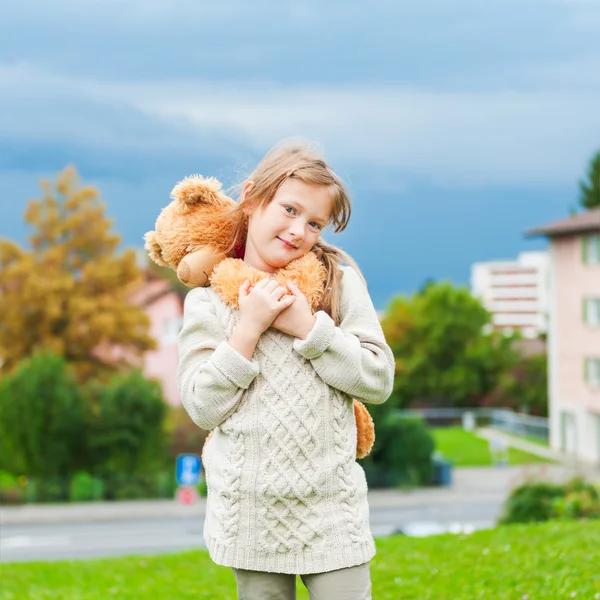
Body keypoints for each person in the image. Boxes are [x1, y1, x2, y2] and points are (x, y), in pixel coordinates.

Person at [177, 140, 395, 600]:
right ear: (254, 198)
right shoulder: (207, 302)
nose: (299, 230)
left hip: (331, 513)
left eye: (314, 222)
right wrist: (248, 329)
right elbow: (201, 405)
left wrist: (309, 329)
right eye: (289, 209)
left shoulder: (338, 284)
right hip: (251, 517)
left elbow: (377, 379)